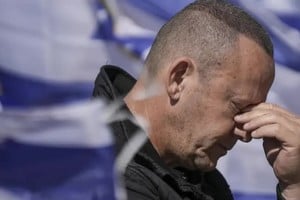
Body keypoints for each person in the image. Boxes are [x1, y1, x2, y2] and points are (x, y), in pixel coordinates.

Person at [93, 0, 300, 199]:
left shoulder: (201, 180)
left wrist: (294, 186)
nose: (246, 134)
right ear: (178, 79)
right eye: (238, 108)